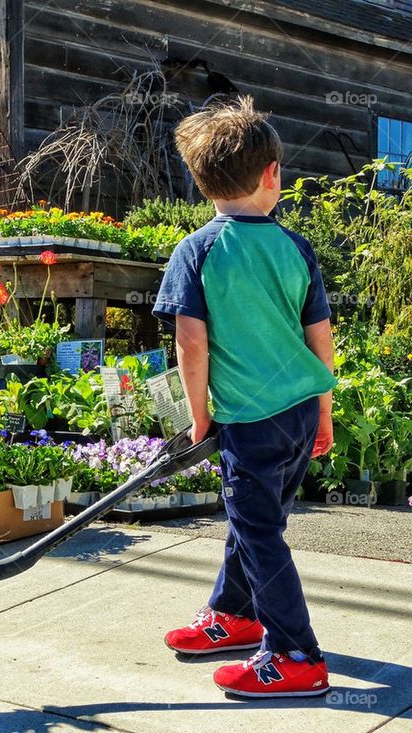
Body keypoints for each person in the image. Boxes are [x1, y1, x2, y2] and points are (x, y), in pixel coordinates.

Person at [152, 96, 337, 698]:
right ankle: (236, 614)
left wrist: (198, 416)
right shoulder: (295, 247)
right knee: (254, 520)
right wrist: (325, 417)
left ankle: (295, 654)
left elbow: (192, 344)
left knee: (257, 530)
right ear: (272, 174)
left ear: (202, 182)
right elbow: (319, 338)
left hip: (250, 419)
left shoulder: (198, 250)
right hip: (300, 412)